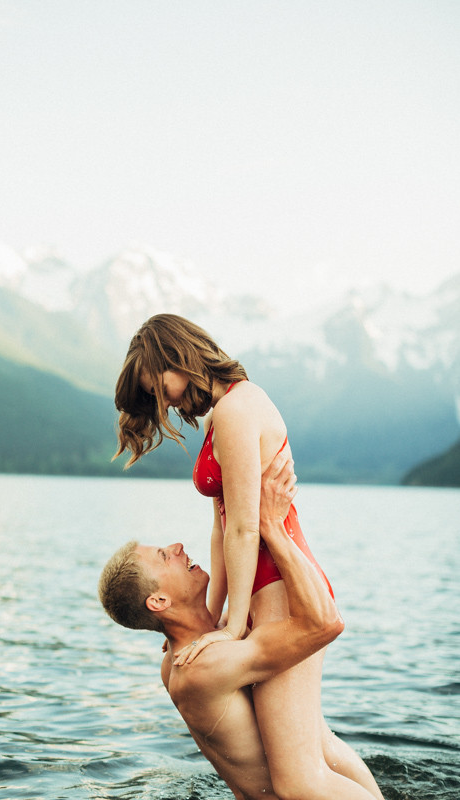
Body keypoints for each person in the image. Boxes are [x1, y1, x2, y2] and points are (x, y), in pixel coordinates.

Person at [114, 313, 384, 800]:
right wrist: (216, 615)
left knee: (299, 778)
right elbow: (222, 528)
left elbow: (244, 526)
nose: (168, 401)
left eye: (164, 387)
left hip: (278, 583)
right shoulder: (223, 413)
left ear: (179, 357)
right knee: (314, 745)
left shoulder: (238, 410)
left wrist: (234, 626)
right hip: (262, 582)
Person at [99, 455, 383, 800]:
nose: (176, 548)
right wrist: (272, 526)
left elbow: (225, 547)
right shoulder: (206, 664)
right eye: (163, 556)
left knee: (314, 730)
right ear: (159, 602)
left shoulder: (179, 658)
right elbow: (325, 625)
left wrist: (228, 491)